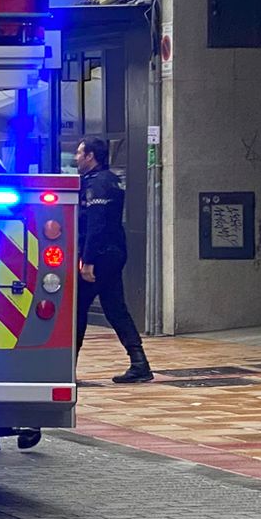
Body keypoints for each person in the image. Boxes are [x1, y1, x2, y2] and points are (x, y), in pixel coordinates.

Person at [75, 136, 152, 384]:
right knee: (115, 308)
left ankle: (66, 367)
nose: (76, 157)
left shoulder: (96, 185)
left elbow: (96, 225)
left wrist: (87, 261)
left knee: (78, 309)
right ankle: (139, 362)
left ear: (90, 156)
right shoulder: (111, 180)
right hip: (114, 253)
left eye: (79, 153)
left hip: (100, 255)